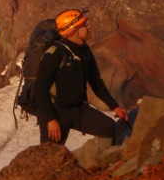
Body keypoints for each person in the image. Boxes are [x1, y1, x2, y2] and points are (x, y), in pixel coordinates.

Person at [35, 8, 128, 145]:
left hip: (78, 109)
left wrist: (114, 107)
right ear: (73, 31)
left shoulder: (84, 51)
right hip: (56, 112)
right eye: (84, 25)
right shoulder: (54, 53)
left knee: (109, 128)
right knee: (50, 156)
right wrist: (50, 119)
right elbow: (40, 89)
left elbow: (95, 81)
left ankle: (102, 163)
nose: (88, 26)